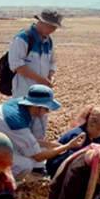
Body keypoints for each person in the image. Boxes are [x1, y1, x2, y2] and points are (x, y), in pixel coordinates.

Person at [0, 84, 84, 180]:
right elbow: (38, 156)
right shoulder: (17, 120)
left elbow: (21, 138)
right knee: (27, 164)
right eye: (47, 108)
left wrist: (48, 144)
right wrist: (68, 146)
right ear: (39, 107)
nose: (48, 112)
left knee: (41, 148)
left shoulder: (18, 106)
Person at [8, 10, 61, 140]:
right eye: (51, 26)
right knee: (22, 131)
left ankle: (38, 156)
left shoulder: (49, 41)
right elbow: (16, 65)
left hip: (43, 95)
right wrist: (40, 79)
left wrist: (51, 76)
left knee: (39, 131)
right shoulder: (23, 38)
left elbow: (52, 62)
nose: (53, 30)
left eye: (55, 27)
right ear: (41, 22)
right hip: (23, 92)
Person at [44, 106, 100, 178]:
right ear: (90, 125)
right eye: (98, 129)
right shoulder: (79, 136)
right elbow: (73, 160)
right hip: (58, 165)